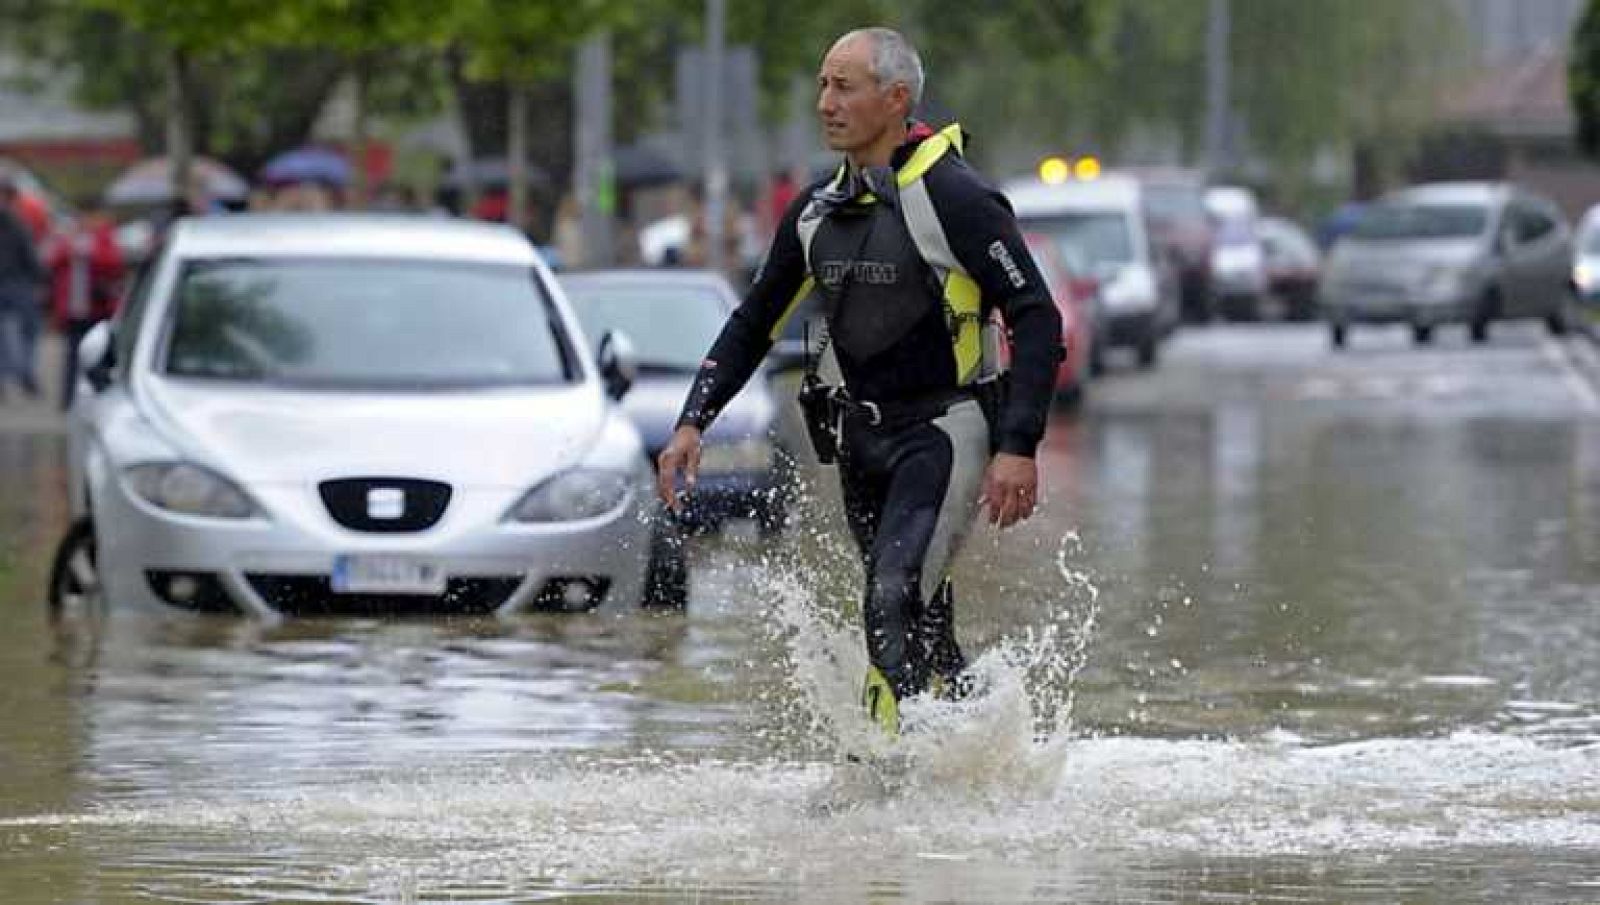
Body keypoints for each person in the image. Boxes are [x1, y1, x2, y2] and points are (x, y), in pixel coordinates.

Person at [655, 27, 1063, 735]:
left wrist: (1018, 445)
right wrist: (695, 420)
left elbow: (1038, 315)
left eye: (844, 86)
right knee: (921, 625)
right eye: (822, 84)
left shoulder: (958, 198)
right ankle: (987, 757)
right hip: (859, 443)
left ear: (896, 97)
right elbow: (753, 321)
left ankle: (881, 781)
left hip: (945, 433)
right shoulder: (816, 210)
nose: (825, 102)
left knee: (890, 599)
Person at [46, 199, 124, 409]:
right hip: (73, 308)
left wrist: (89, 252)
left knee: (98, 355)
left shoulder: (106, 237)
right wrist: (68, 246)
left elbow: (114, 262)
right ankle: (68, 399)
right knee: (72, 355)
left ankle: (97, 398)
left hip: (98, 307)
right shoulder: (70, 237)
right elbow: (52, 260)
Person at [0, 173, 46, 401]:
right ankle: (24, 372)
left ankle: (11, 376)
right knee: (28, 331)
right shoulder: (17, 222)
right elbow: (29, 254)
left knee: (7, 334)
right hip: (18, 283)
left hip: (16, 282)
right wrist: (40, 280)